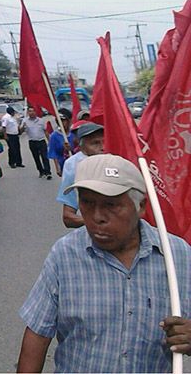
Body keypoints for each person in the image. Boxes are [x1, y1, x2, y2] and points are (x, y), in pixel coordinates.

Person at [17, 154, 191, 373]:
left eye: (111, 205)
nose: (97, 217)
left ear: (141, 206)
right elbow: (37, 335)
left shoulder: (178, 256)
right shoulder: (65, 254)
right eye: (87, 203)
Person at [56, 122, 104, 228]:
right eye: (95, 143)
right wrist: (98, 222)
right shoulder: (73, 165)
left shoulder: (118, 160)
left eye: (105, 142)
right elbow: (68, 218)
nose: (102, 147)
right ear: (81, 146)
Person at [21, 106, 52, 179]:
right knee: (36, 158)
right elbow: (20, 131)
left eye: (33, 111)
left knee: (45, 157)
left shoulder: (41, 120)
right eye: (30, 111)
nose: (32, 113)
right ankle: (41, 171)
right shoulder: (25, 121)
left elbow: (46, 131)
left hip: (41, 141)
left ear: (36, 112)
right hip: (32, 142)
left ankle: (48, 172)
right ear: (28, 112)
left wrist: (50, 142)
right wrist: (23, 126)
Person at [47, 108, 75, 177]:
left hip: (77, 163)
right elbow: (53, 152)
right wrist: (58, 167)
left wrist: (71, 148)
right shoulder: (54, 136)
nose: (62, 123)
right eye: (59, 121)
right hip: (64, 165)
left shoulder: (75, 133)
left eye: (63, 120)